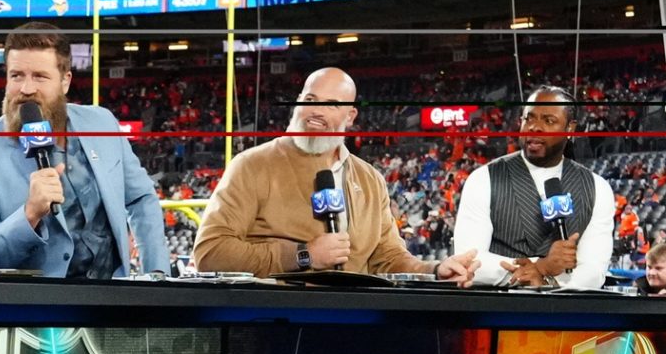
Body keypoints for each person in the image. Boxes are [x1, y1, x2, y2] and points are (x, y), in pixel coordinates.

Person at [190, 67, 477, 282]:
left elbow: (388, 258)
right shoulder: (252, 166)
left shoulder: (370, 179)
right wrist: (304, 255)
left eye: (331, 104)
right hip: (276, 321)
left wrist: (435, 270)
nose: (315, 111)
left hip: (354, 324)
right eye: (310, 99)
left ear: (350, 116)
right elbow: (209, 253)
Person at [0, 22, 166, 278]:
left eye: (40, 76)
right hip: (38, 309)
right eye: (17, 75)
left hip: (112, 304)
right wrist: (29, 215)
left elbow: (141, 198)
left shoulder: (102, 123)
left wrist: (156, 274)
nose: (26, 89)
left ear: (65, 81)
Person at [451, 84, 617, 290]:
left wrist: (548, 282)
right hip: (495, 309)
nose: (534, 127)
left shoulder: (597, 188)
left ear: (570, 129)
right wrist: (539, 268)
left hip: (565, 313)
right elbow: (468, 260)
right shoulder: (484, 178)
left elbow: (594, 269)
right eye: (529, 118)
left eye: (549, 121)